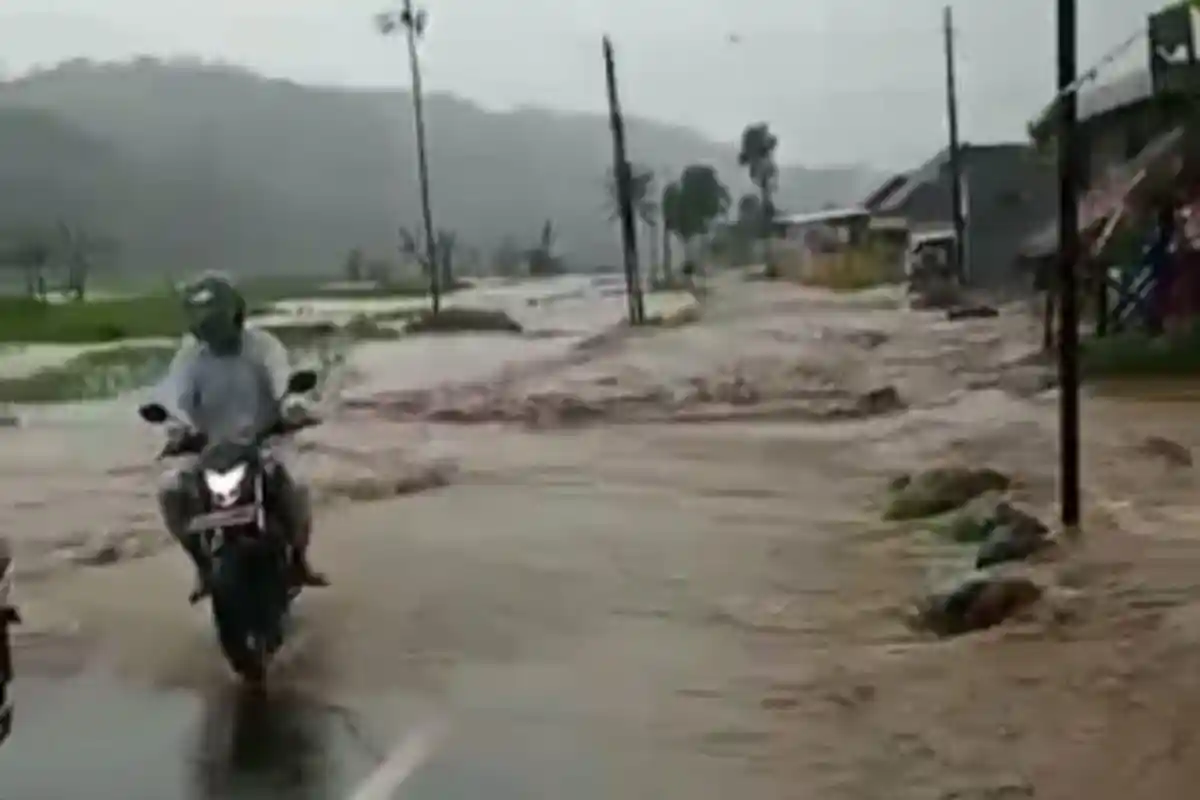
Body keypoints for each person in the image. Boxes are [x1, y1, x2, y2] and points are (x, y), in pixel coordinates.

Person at [155, 273, 327, 603]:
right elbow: (174, 394)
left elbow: (281, 376)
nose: (210, 328)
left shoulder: (263, 345)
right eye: (203, 321)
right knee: (170, 491)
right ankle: (202, 565)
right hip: (209, 448)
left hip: (265, 441)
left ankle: (299, 560)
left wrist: (291, 404)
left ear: (236, 314)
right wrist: (174, 423)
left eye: (216, 319)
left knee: (298, 485)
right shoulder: (190, 357)